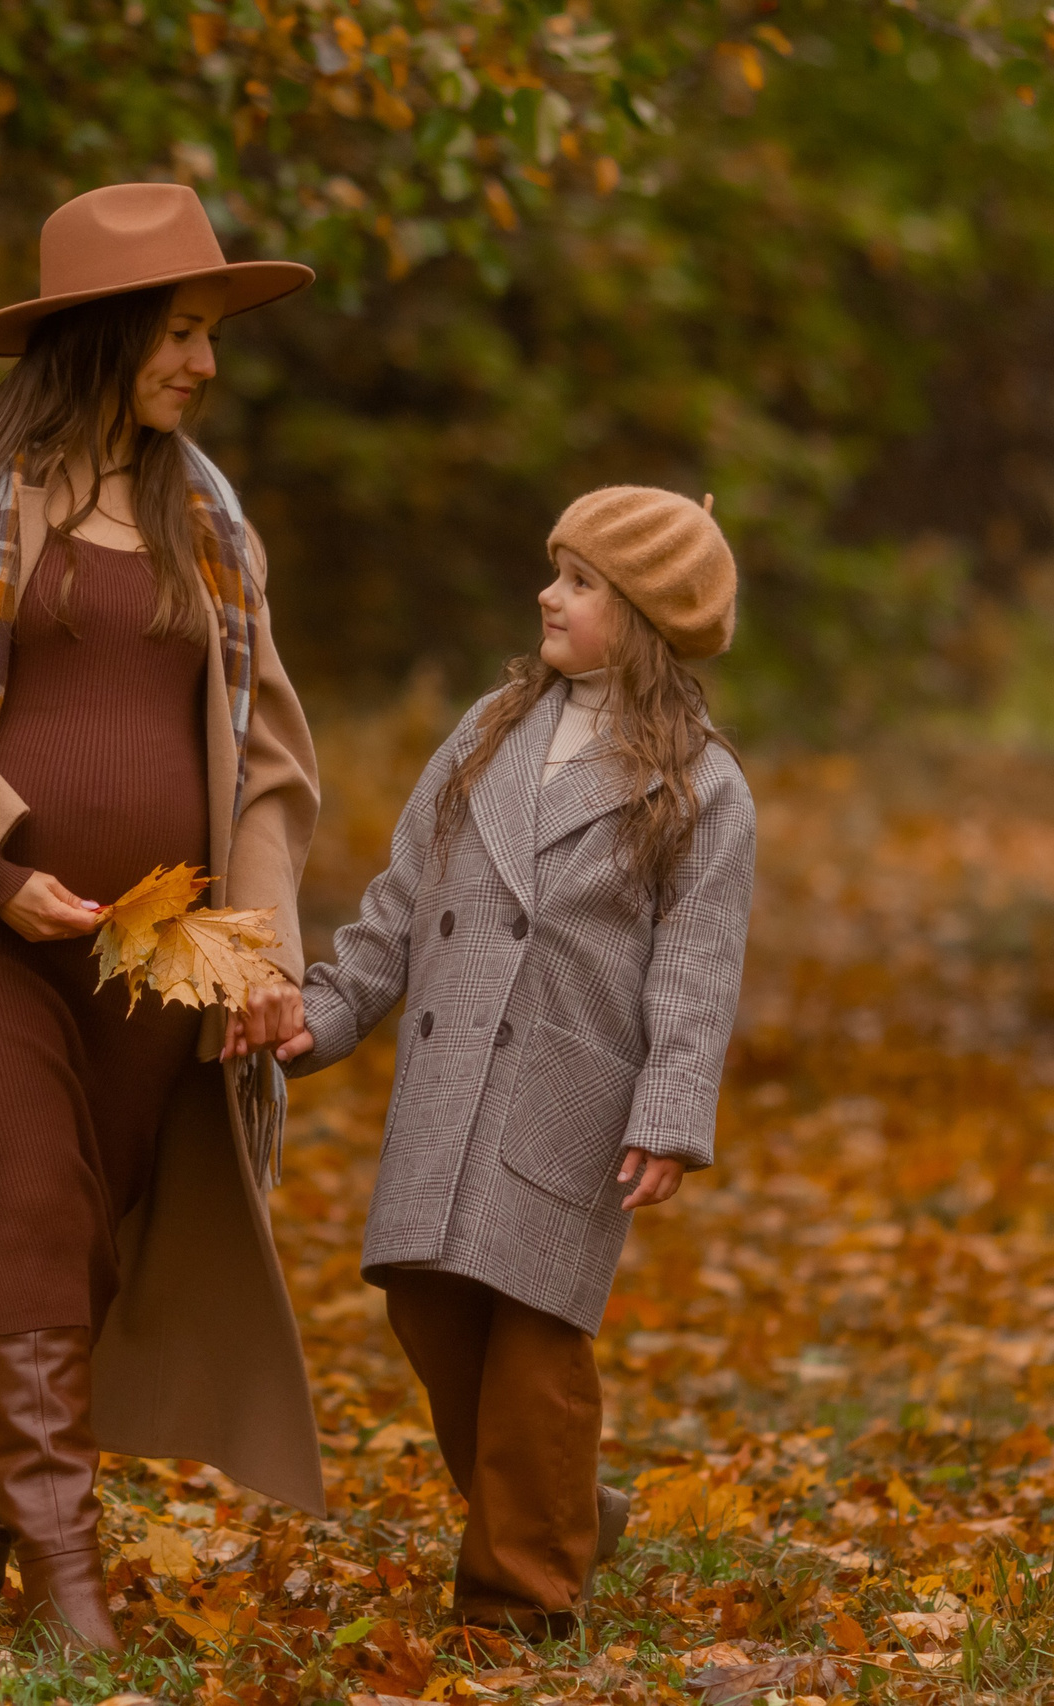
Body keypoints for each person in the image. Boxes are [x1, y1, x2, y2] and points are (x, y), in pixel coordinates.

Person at [0, 182, 322, 1651]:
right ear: (99, 334)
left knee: (82, 1247)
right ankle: (71, 1598)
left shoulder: (208, 518)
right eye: (179, 331)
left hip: (157, 963)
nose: (204, 364)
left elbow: (273, 761)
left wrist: (261, 950)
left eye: (211, 334)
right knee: (30, 1210)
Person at [275, 487, 758, 1638]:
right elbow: (403, 894)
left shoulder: (701, 784)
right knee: (429, 1314)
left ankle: (518, 1600)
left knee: (535, 1347)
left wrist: (670, 1109)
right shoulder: (493, 726)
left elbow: (695, 966)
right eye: (556, 569)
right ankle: (560, 1505)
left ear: (642, 614)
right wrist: (327, 1011)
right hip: (448, 1082)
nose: (549, 593)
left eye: (582, 580)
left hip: (568, 1094)